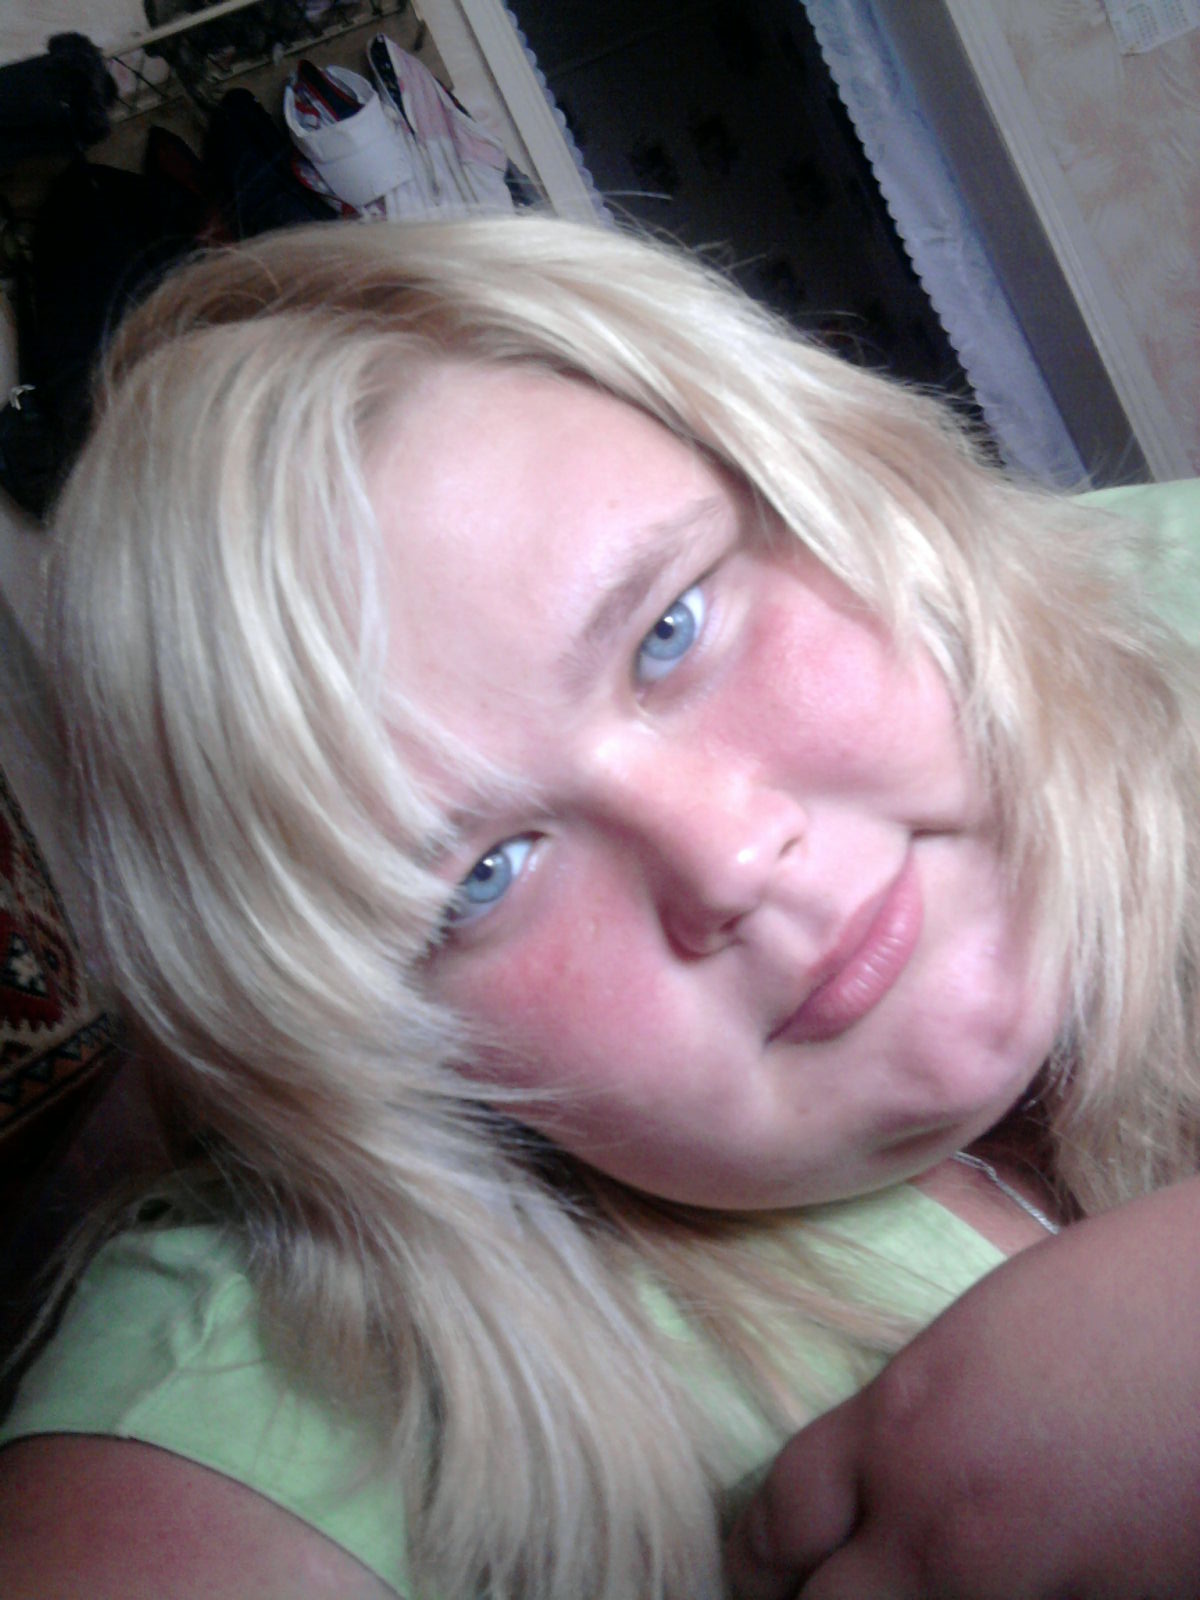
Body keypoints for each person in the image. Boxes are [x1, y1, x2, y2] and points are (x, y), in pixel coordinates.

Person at [0, 215, 1198, 1600]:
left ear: (832, 490)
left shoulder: (1153, 595)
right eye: (484, 877)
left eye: (669, 629)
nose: (727, 858)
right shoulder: (275, 1386)